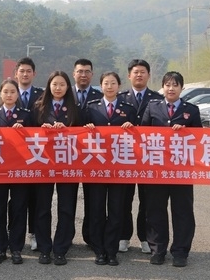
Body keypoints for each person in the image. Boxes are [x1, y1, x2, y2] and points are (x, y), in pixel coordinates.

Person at [141, 71, 201, 268]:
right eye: (167, 84)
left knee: (183, 212)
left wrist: (186, 132)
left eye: (175, 85)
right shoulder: (152, 107)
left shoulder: (191, 110)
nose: (171, 88)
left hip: (181, 171)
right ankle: (158, 250)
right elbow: (142, 135)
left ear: (182, 88)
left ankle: (180, 251)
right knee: (155, 210)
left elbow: (200, 139)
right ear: (163, 87)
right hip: (157, 169)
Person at [84, 71, 136, 266]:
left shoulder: (128, 109)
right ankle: (99, 250)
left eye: (113, 83)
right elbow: (79, 134)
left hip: (118, 168)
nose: (109, 86)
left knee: (116, 210)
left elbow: (140, 136)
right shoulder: (91, 108)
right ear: (101, 86)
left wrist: (132, 128)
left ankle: (111, 250)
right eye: (106, 83)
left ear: (119, 86)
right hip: (96, 168)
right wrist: (87, 128)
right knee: (96, 210)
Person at [32, 71, 82, 266]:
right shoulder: (38, 107)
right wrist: (41, 130)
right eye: (54, 84)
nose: (58, 88)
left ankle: (61, 249)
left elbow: (84, 135)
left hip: (68, 163)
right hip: (44, 163)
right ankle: (44, 248)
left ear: (68, 87)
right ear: (49, 86)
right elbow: (28, 134)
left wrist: (68, 130)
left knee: (66, 208)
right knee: (42, 208)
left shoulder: (76, 108)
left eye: (62, 84)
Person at [117, 59, 162, 254]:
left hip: (148, 158)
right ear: (129, 75)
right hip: (125, 157)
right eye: (135, 72)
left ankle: (145, 238)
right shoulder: (120, 97)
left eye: (143, 72)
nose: (139, 75)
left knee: (148, 200)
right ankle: (123, 236)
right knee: (124, 199)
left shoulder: (157, 99)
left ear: (148, 75)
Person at [0, 79, 32, 265]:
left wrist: (24, 132)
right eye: (5, 91)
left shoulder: (26, 115)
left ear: (17, 94)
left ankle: (16, 248)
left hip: (20, 169)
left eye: (13, 92)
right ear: (0, 94)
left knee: (19, 208)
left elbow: (36, 140)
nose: (9, 95)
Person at [71, 58, 103, 247]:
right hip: (70, 155)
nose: (83, 75)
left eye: (87, 71)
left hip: (93, 156)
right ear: (74, 74)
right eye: (80, 71)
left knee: (94, 199)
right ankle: (67, 237)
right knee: (68, 200)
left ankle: (92, 236)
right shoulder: (65, 94)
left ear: (92, 74)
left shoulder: (99, 96)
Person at [14, 57, 43, 251]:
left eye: (28, 71)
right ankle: (14, 234)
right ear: (16, 73)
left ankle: (34, 233)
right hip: (14, 155)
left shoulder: (42, 95)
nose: (25, 74)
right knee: (16, 199)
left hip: (37, 153)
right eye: (22, 71)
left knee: (35, 196)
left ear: (34, 74)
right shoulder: (9, 91)